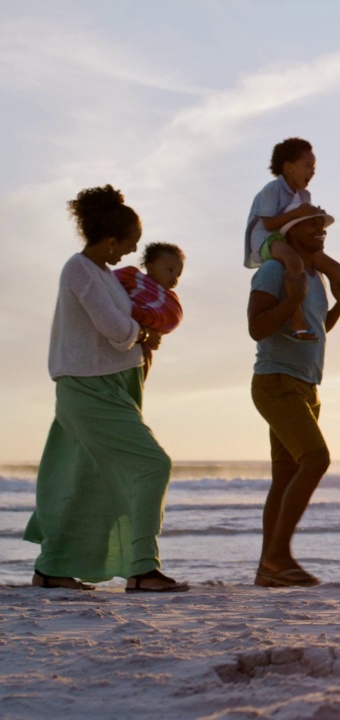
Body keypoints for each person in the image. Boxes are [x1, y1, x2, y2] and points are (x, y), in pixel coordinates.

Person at [24, 185, 188, 593]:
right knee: (153, 464)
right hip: (89, 388)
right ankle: (143, 569)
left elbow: (125, 326)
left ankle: (52, 568)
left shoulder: (102, 275)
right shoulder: (79, 270)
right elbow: (117, 329)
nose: (131, 252)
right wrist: (141, 332)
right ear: (112, 239)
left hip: (113, 385)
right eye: (129, 243)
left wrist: (140, 332)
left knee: (87, 481)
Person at [247, 206, 340, 587]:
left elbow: (315, 329)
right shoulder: (276, 270)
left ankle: (269, 568)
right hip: (276, 381)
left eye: (324, 227)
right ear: (291, 232)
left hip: (306, 386)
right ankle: (279, 556)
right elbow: (257, 327)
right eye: (313, 226)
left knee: (286, 475)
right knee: (316, 459)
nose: (321, 231)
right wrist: (292, 300)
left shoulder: (314, 277)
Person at [244, 136, 340, 343]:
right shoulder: (272, 189)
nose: (312, 171)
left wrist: (307, 215)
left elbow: (300, 222)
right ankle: (297, 319)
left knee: (334, 268)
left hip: (287, 239)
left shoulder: (304, 194)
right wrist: (298, 213)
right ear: (288, 167)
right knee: (293, 261)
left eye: (314, 167)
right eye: (308, 165)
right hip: (266, 239)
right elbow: (269, 224)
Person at [114, 242, 185, 377]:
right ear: (151, 267)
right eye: (170, 270)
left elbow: (172, 317)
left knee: (133, 385)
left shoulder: (170, 299)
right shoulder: (132, 276)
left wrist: (135, 315)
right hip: (117, 333)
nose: (174, 277)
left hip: (141, 347)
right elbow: (106, 284)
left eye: (178, 274)